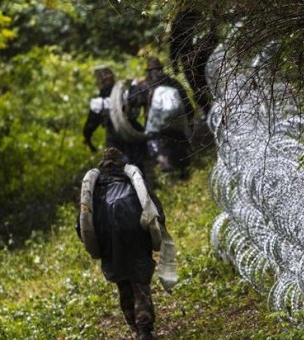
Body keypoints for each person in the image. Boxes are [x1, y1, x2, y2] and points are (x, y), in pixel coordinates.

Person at [76, 147, 163, 340]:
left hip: (109, 239)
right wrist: (158, 233)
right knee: (139, 282)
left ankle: (133, 324)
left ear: (104, 165)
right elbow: (154, 208)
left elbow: (81, 223)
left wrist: (95, 244)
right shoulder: (133, 180)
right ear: (122, 163)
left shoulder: (95, 188)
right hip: (136, 234)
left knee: (123, 283)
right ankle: (144, 329)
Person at [83, 66, 146, 170]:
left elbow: (90, 126)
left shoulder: (99, 103)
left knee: (116, 167)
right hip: (131, 132)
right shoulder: (125, 94)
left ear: (100, 83)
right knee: (137, 165)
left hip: (114, 138)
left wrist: (87, 138)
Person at [144, 57, 194, 179]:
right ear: (161, 69)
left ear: (149, 72)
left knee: (159, 148)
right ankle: (184, 174)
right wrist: (188, 121)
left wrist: (147, 125)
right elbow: (187, 105)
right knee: (180, 147)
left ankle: (166, 172)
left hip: (158, 126)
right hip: (177, 123)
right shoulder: (174, 83)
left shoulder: (147, 86)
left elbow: (142, 106)